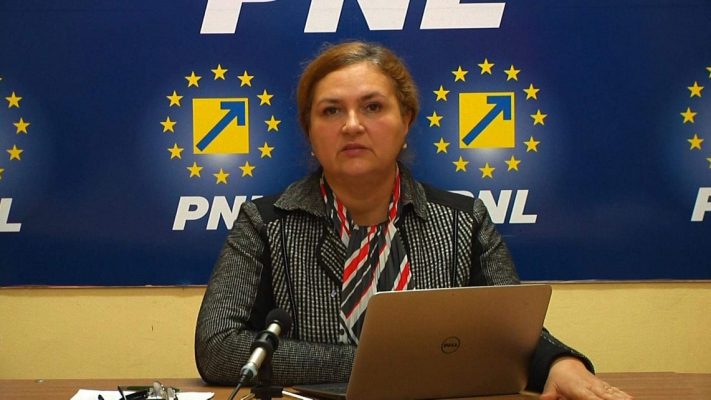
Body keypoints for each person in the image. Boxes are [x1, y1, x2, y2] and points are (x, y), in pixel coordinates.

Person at [195, 41, 633, 400]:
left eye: (372, 107)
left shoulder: (462, 221)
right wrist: (385, 362)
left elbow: (512, 336)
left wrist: (560, 364)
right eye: (331, 111)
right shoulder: (265, 224)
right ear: (309, 130)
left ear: (406, 120)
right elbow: (218, 349)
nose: (352, 125)